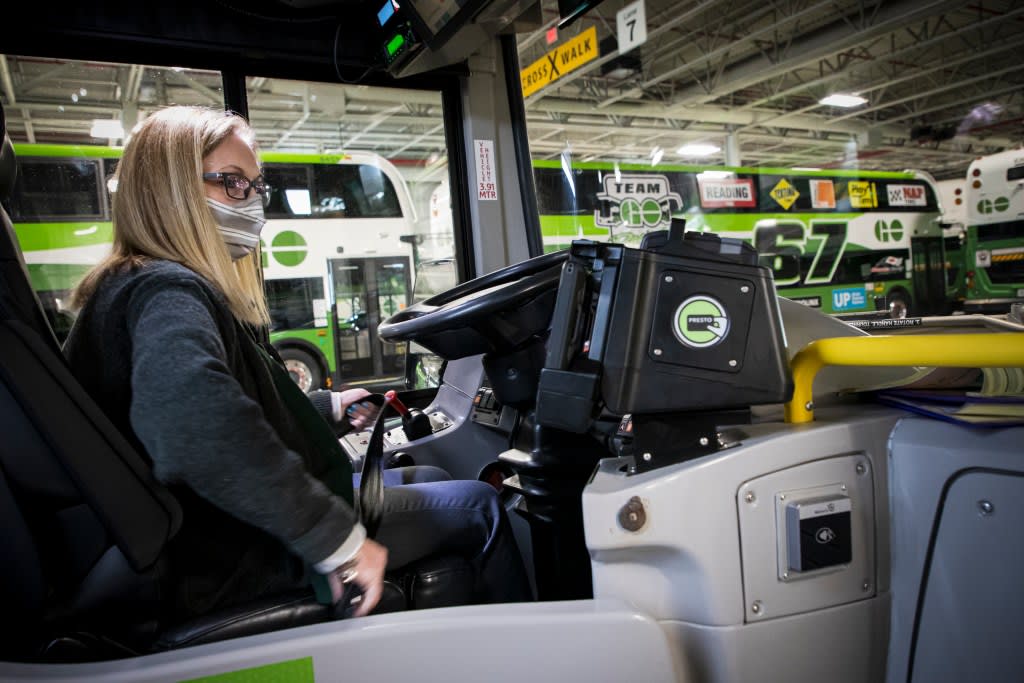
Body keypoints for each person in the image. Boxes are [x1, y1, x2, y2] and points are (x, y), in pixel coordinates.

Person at [63, 105, 531, 621]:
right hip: (233, 555)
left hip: (213, 534)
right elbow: (191, 421)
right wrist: (336, 540)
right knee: (480, 505)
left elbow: (227, 398)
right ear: (168, 190)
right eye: (231, 182)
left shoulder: (127, 286)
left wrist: (325, 407)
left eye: (256, 186)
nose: (252, 203)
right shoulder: (166, 289)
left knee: (424, 472)